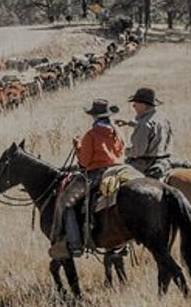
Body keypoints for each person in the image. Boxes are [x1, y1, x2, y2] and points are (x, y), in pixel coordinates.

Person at [50, 99, 125, 260]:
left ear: (94, 116)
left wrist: (78, 148)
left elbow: (84, 162)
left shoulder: (91, 134)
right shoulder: (117, 132)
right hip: (118, 171)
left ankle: (75, 245)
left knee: (65, 202)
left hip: (96, 174)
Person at [116, 87, 173, 178]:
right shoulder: (163, 118)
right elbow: (152, 128)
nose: (133, 106)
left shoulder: (144, 124)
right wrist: (128, 122)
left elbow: (138, 152)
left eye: (136, 103)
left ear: (143, 105)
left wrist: (122, 152)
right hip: (164, 160)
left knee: (114, 178)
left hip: (146, 164)